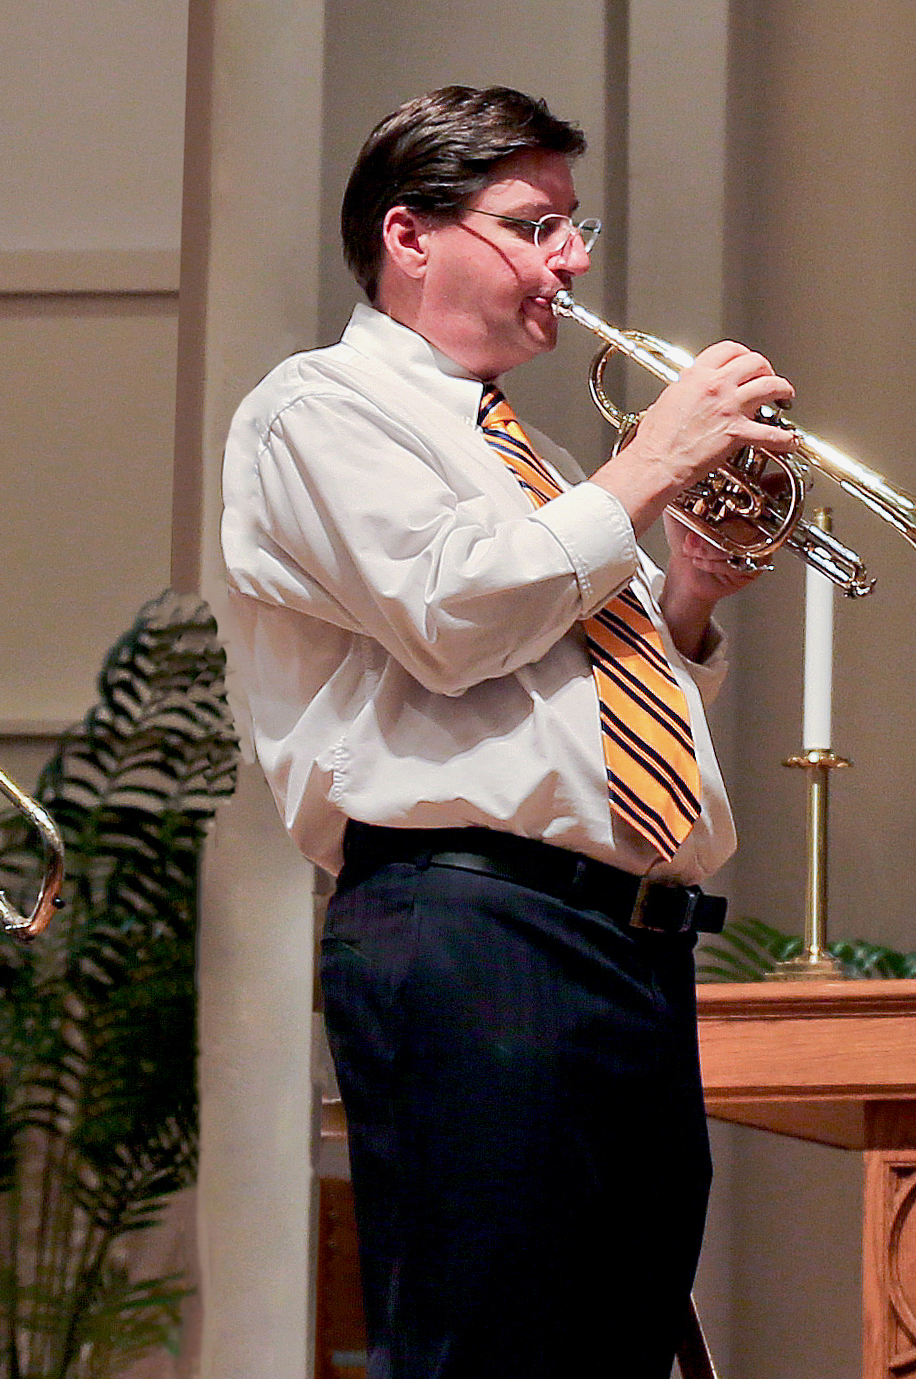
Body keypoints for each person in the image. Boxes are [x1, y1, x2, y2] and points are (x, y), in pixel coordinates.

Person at [220, 86, 791, 1377]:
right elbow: (453, 618)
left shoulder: (517, 446)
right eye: (536, 225)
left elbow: (573, 707)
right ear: (411, 235)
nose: (573, 260)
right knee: (489, 1345)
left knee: (623, 1348)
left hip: (621, 937)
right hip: (472, 921)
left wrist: (689, 597)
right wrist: (647, 462)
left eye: (574, 226)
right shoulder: (320, 407)